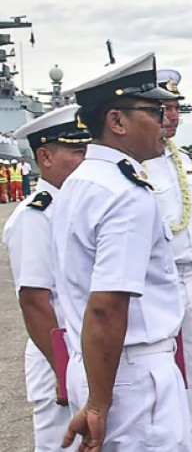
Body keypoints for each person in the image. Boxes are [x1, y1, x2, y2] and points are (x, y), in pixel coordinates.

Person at [52, 52, 190, 450]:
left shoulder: (81, 182)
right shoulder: (125, 194)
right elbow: (106, 305)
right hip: (132, 373)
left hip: (100, 366)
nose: (165, 121)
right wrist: (99, 403)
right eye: (153, 110)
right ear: (116, 121)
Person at [3, 105, 90, 452]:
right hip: (59, 358)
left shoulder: (75, 207)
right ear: (45, 156)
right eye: (76, 151)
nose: (85, 160)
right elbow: (35, 301)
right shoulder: (35, 216)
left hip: (84, 355)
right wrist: (64, 372)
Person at [143, 69, 192, 452]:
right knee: (155, 374)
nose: (172, 116)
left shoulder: (183, 159)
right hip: (153, 283)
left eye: (176, 108)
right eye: (164, 108)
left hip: (191, 277)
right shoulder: (135, 163)